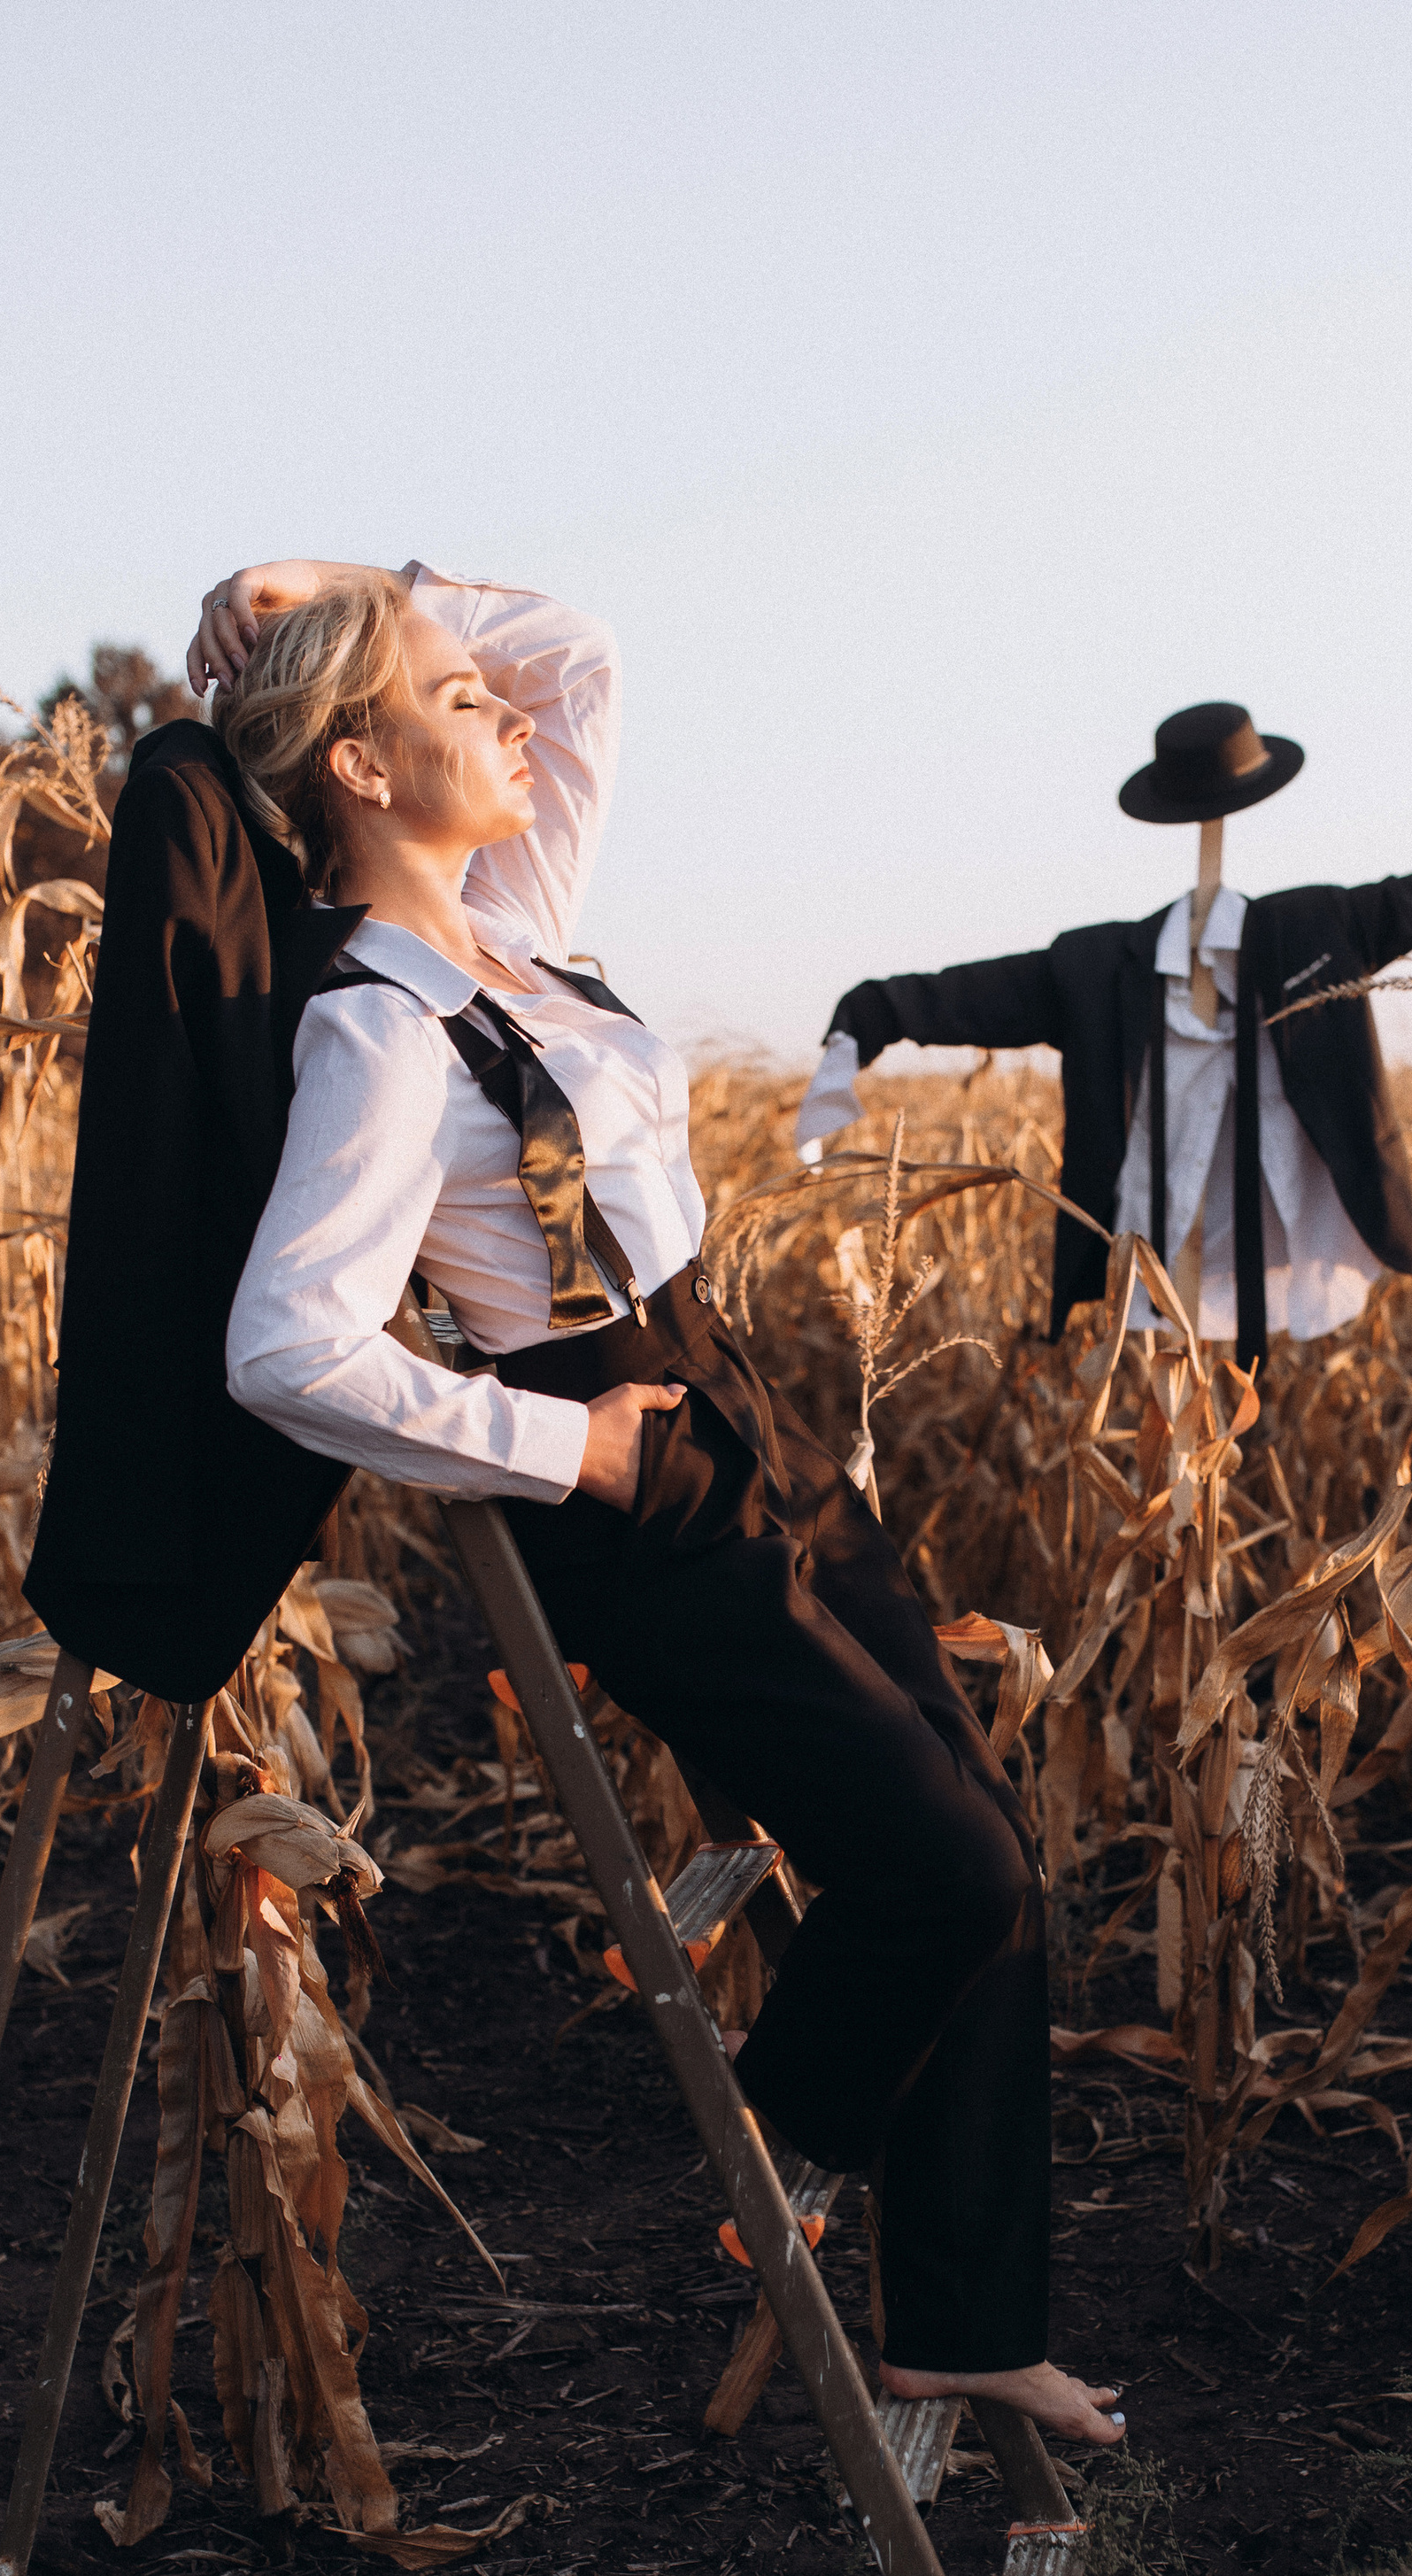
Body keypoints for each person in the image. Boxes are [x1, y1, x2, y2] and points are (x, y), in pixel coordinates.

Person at [186, 554, 1122, 2448]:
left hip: (742, 1407)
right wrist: (577, 1452)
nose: (503, 717)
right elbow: (286, 1348)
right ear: (357, 767)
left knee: (982, 1842)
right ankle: (773, 2143)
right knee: (950, 1873)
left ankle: (960, 2315)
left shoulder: (518, 924)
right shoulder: (372, 1026)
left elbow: (576, 654)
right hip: (633, 1475)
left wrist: (377, 584)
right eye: (454, 705)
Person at [793, 699, 1412, 1358]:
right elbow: (970, 995)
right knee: (1162, 1374)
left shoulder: (1318, 929)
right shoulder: (1098, 967)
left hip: (1293, 1213)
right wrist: (862, 1022)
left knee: (1270, 1383)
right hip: (1149, 1230)